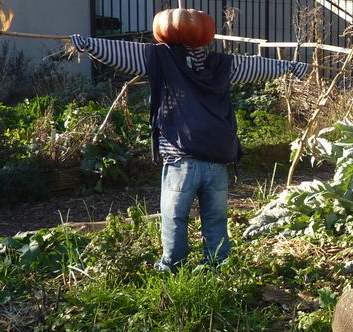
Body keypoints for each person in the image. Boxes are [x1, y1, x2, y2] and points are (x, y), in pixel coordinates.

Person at [69, 32, 307, 272]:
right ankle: (217, 264)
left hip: (180, 158)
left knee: (175, 217)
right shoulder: (221, 64)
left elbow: (124, 54)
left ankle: (173, 265)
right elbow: (255, 66)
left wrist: (89, 44)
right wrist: (290, 66)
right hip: (217, 156)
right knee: (215, 218)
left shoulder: (159, 57)